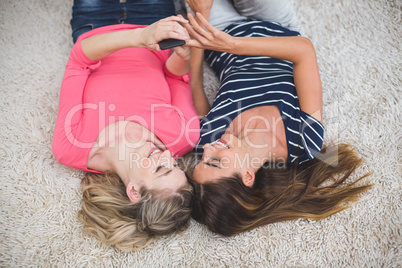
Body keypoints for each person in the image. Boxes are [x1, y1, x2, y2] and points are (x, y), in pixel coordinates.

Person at [183, 0, 372, 236]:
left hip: (219, 35)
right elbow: (303, 51)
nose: (209, 149)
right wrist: (232, 44)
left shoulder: (208, 138)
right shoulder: (304, 140)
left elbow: (195, 86)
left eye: (203, 159)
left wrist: (202, 18)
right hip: (276, 28)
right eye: (215, 161)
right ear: (248, 176)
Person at [52, 0, 200, 251]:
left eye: (161, 169)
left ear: (133, 191)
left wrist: (141, 37)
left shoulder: (71, 146)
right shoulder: (184, 136)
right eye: (175, 164)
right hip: (155, 25)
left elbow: (79, 60)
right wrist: (181, 56)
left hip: (95, 27)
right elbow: (175, 77)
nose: (167, 154)